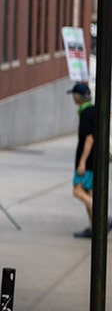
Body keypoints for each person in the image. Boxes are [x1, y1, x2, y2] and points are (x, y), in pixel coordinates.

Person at [68, 81, 101, 239]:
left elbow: (89, 139)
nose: (73, 99)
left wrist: (82, 162)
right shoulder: (91, 111)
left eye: (74, 95)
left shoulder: (87, 113)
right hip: (92, 160)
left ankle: (101, 217)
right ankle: (93, 227)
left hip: (86, 162)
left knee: (78, 191)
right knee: (87, 192)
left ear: (78, 97)